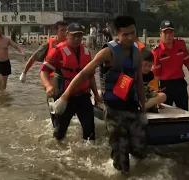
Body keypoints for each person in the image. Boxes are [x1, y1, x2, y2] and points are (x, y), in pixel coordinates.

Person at [51, 16, 147, 174]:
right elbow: (84, 73)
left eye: (133, 33)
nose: (130, 37)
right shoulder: (107, 52)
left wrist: (143, 110)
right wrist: (64, 97)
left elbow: (139, 83)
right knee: (121, 156)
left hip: (132, 107)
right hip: (114, 109)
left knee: (140, 151)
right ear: (117, 34)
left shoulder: (137, 53)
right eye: (125, 34)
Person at [39, 23, 101, 142]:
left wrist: (97, 96)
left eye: (80, 36)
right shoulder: (58, 51)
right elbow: (43, 71)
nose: (77, 39)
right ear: (67, 35)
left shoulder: (86, 52)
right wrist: (48, 86)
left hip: (83, 95)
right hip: (64, 96)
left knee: (90, 133)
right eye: (74, 36)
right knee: (59, 133)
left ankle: (88, 156)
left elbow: (91, 76)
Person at [152, 20, 189, 111]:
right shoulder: (156, 52)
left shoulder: (180, 44)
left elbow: (188, 63)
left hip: (180, 84)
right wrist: (155, 93)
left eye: (170, 32)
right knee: (165, 113)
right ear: (160, 34)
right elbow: (156, 75)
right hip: (165, 86)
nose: (168, 35)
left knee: (184, 112)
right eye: (165, 33)